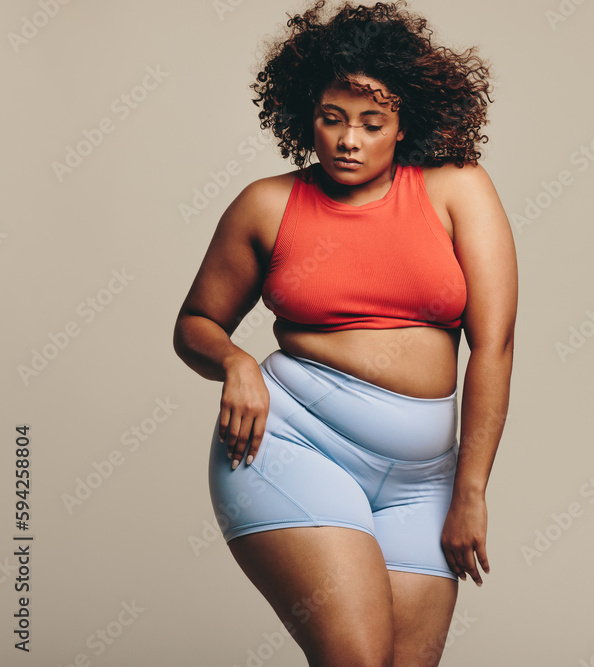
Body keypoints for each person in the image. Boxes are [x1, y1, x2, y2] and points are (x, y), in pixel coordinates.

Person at [172, 1, 517, 665]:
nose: (348, 139)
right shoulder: (266, 206)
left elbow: (493, 345)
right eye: (332, 119)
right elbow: (196, 323)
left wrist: (470, 491)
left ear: (402, 123)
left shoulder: (458, 190)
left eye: (370, 122)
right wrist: (237, 361)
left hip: (425, 479)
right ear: (307, 115)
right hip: (293, 445)